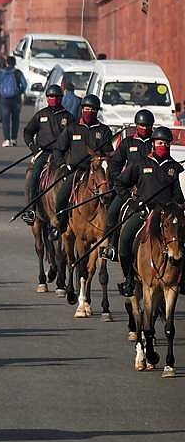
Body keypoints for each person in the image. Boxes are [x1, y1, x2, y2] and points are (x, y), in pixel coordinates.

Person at [114, 127, 184, 298]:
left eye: (166, 144)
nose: (163, 146)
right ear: (153, 144)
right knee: (124, 240)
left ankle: (182, 280)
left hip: (168, 216)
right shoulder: (140, 164)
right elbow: (120, 183)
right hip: (144, 212)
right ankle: (129, 279)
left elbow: (180, 196)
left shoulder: (175, 168)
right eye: (160, 143)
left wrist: (178, 208)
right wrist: (132, 201)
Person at [50, 94, 112, 232]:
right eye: (86, 108)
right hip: (76, 171)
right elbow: (59, 149)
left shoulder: (104, 130)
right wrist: (63, 165)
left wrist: (101, 159)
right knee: (62, 195)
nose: (89, 112)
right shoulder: (72, 128)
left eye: (92, 109)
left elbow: (109, 153)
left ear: (97, 112)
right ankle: (60, 224)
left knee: (110, 194)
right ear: (82, 109)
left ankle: (109, 228)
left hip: (97, 171)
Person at [101, 109, 155, 262]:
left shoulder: (155, 143)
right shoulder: (127, 143)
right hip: (128, 188)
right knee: (112, 212)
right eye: (142, 125)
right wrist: (122, 183)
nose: (145, 128)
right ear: (137, 126)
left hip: (149, 189)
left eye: (148, 126)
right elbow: (115, 165)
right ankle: (112, 245)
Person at [20, 83, 73, 226]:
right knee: (32, 176)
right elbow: (28, 132)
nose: (53, 99)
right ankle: (31, 210)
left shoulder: (68, 117)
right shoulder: (41, 115)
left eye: (56, 96)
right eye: (50, 96)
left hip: (62, 154)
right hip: (44, 153)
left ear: (61, 98)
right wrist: (34, 147)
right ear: (47, 98)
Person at [0, 56, 26, 147]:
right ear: (14, 63)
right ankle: (14, 139)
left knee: (5, 120)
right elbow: (24, 84)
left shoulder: (1, 72)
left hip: (4, 99)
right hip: (16, 99)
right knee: (15, 119)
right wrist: (19, 91)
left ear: (6, 63)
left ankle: (6, 140)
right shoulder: (18, 73)